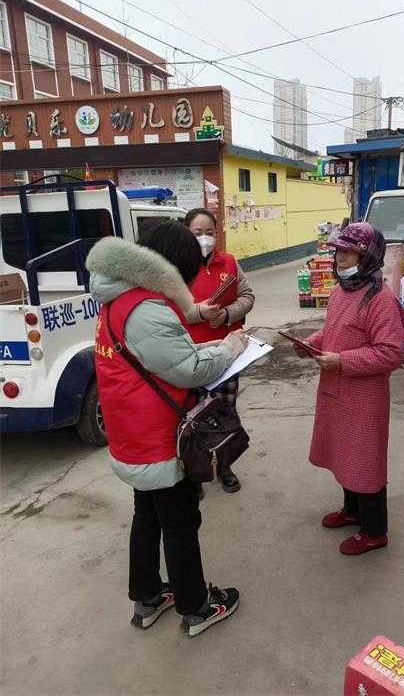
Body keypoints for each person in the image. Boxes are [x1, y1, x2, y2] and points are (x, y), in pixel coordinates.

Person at [86, 221, 249, 637]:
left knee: (147, 518)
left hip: (133, 436)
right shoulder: (145, 309)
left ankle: (147, 598)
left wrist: (205, 341)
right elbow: (188, 369)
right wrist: (229, 347)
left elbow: (162, 357)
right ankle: (196, 607)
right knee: (179, 522)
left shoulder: (118, 299)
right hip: (159, 440)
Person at [295, 222, 404, 556]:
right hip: (337, 389)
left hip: (364, 396)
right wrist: (310, 344)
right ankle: (353, 510)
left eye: (347, 252)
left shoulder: (381, 300)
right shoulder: (342, 292)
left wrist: (341, 360)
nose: (339, 258)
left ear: (368, 255)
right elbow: (333, 330)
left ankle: (374, 531)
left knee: (365, 458)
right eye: (338, 251)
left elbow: (390, 353)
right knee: (345, 452)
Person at [183, 207, 255, 494]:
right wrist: (198, 314)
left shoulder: (230, 263)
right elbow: (167, 312)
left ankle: (225, 465)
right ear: (186, 235)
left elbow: (248, 297)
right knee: (193, 414)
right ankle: (197, 472)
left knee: (224, 411)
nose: (205, 239)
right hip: (191, 355)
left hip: (227, 353)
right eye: (198, 233)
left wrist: (226, 314)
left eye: (210, 233)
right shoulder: (177, 268)